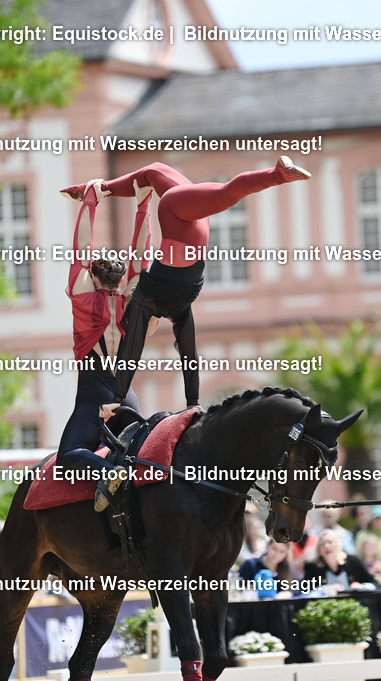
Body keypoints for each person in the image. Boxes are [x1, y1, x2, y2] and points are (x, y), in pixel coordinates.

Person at [61, 158, 311, 418]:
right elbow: (139, 254)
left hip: (193, 244)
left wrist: (192, 401)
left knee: (156, 172)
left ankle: (97, 188)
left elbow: (185, 354)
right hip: (176, 219)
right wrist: (134, 204)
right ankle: (278, 175)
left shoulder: (176, 309)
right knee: (164, 176)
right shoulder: (133, 297)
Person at [57, 181, 150, 511]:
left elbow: (81, 250)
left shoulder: (85, 300)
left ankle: (111, 474)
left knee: (68, 456)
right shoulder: (134, 302)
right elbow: (141, 259)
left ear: (93, 277)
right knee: (146, 457)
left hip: (94, 404)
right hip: (128, 403)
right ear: (122, 279)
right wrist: (142, 206)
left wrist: (90, 201)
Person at [302, 529, 376, 590]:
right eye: (322, 544)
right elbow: (305, 590)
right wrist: (326, 589)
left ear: (338, 545)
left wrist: (362, 586)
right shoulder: (311, 566)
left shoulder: (353, 561)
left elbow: (374, 583)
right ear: (319, 550)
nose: (326, 546)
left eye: (330, 542)